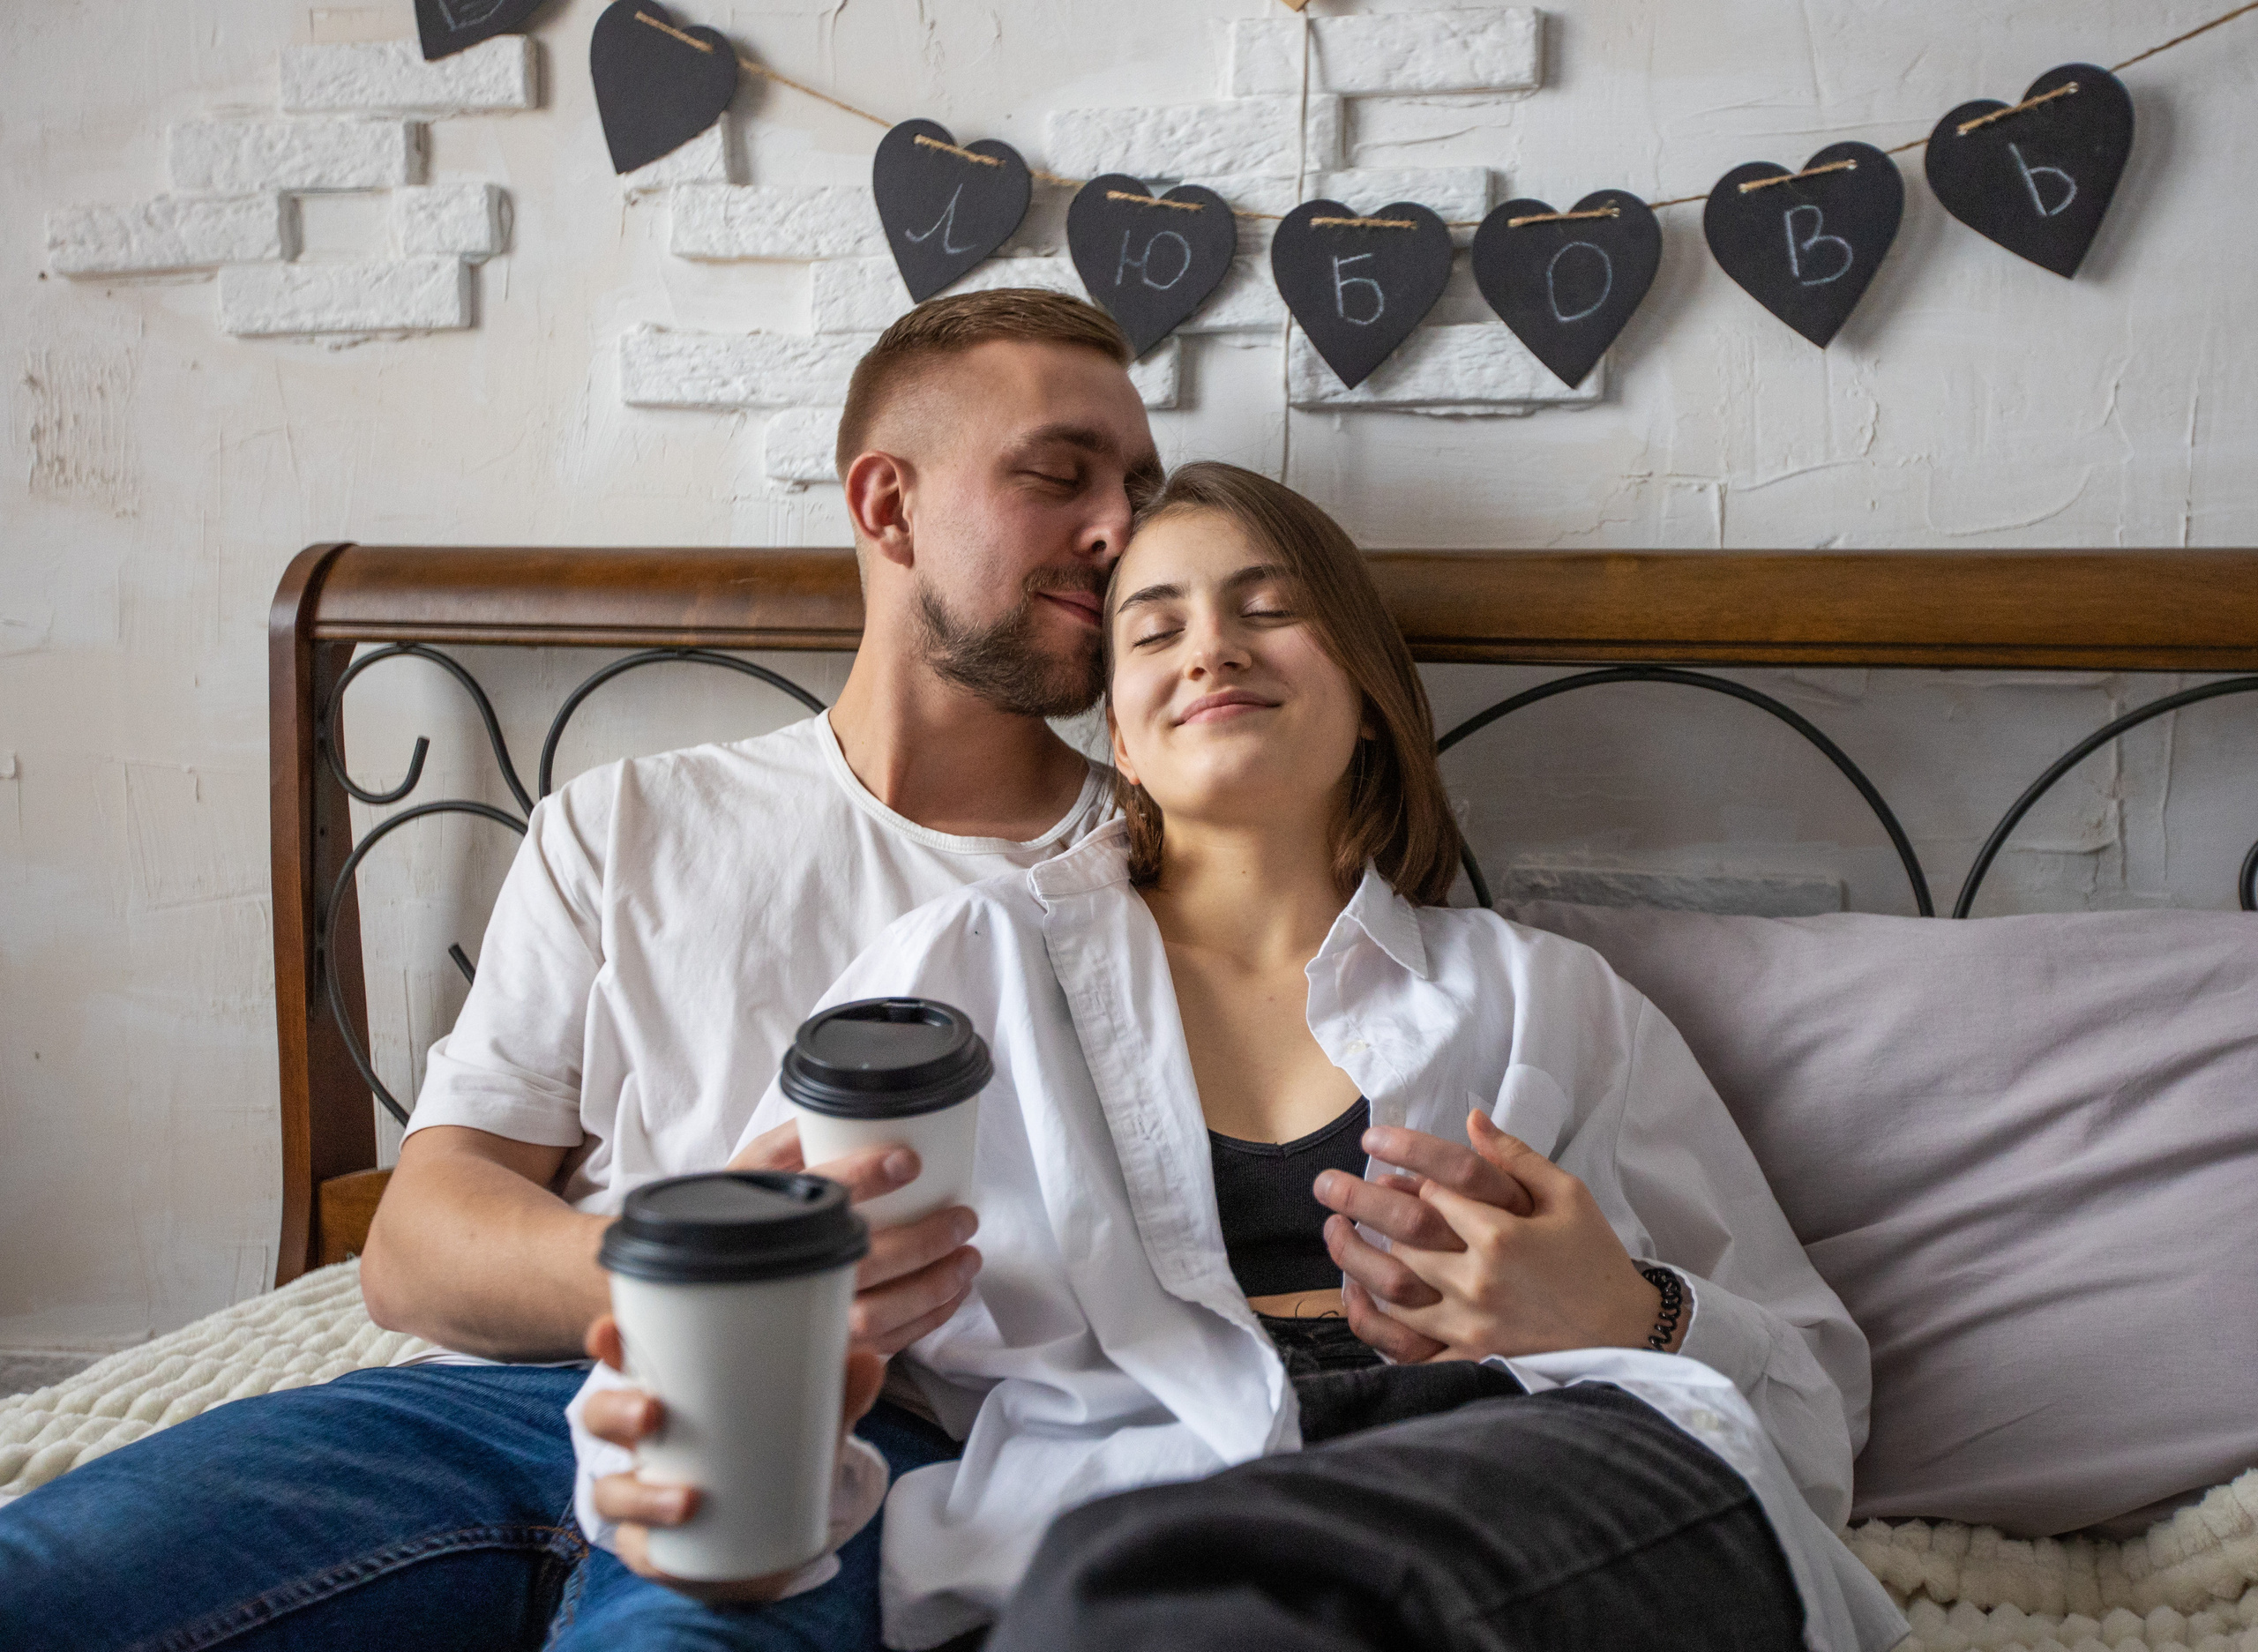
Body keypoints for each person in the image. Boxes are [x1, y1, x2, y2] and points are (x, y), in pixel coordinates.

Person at [579, 462, 1910, 1652]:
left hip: (1559, 1466)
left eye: (1268, 609)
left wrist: (1634, 1311)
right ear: (1118, 720)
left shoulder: (1549, 996)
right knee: (1129, 1594)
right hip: (1114, 1530)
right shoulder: (959, 972)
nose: (1209, 646)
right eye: (1153, 626)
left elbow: (1811, 1408)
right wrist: (660, 1443)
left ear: (1370, 690)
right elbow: (741, 1306)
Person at [0, 290, 1162, 1651]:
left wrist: (783, 1348)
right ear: (889, 507)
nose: (1120, 530)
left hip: (847, 1436)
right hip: (493, 1405)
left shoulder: (1159, 870)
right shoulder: (629, 822)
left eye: (1139, 490)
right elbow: (420, 1242)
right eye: (1057, 475)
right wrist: (713, 1283)